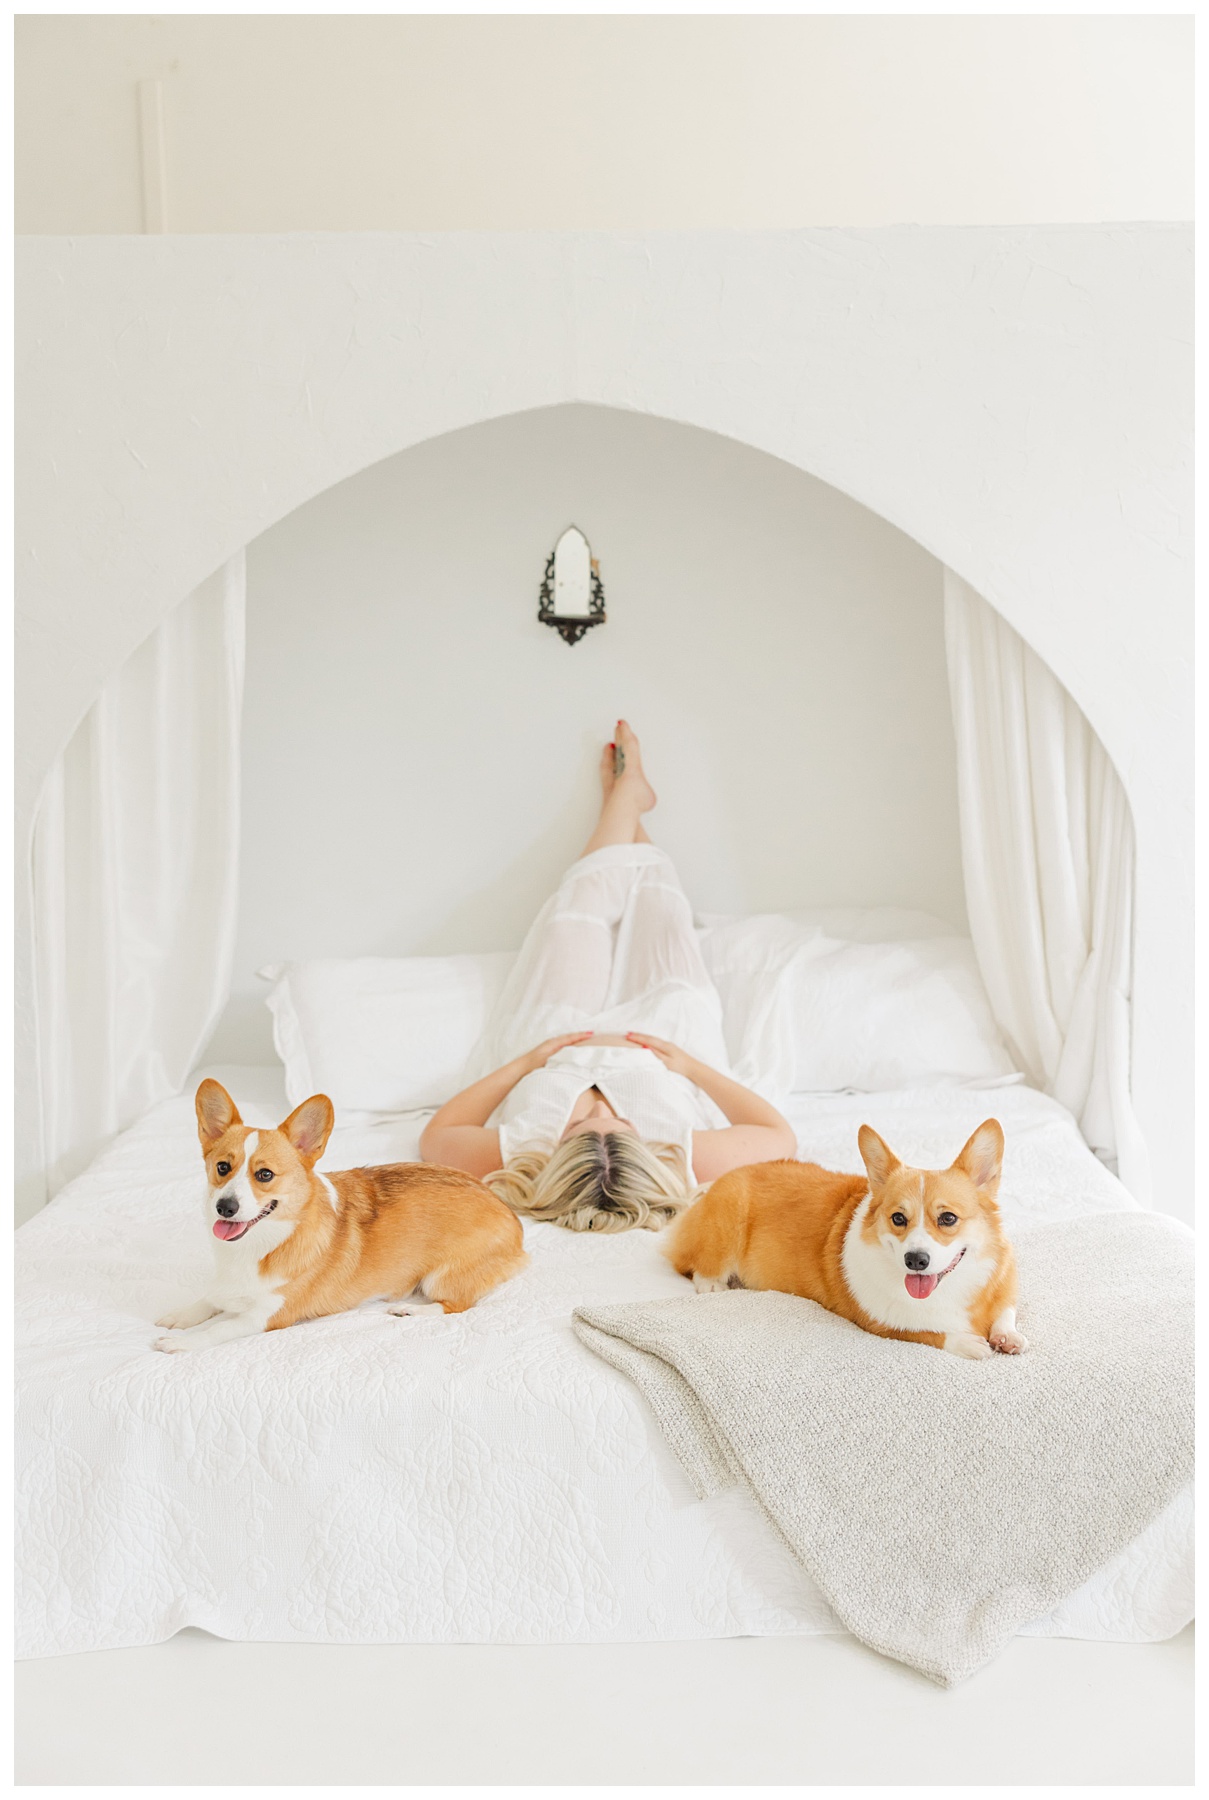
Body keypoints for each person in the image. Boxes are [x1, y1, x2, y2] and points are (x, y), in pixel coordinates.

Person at [420, 721, 796, 1233]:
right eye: (613, 1123)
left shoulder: (525, 1151)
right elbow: (776, 1133)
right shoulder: (678, 1156)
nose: (594, 1113)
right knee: (661, 907)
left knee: (573, 913)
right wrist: (688, 1066)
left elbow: (439, 1135)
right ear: (640, 1145)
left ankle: (624, 800)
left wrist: (527, 1061)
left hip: (553, 1032)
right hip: (668, 1031)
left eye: (576, 1126)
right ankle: (626, 801)